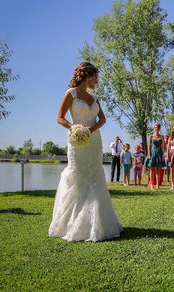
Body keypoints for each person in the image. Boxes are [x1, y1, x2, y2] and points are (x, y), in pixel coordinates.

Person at [49, 62, 122, 241]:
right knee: (78, 176)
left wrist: (90, 130)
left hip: (94, 142)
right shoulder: (71, 94)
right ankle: (71, 224)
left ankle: (99, 225)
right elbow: (59, 117)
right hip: (76, 141)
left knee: (95, 177)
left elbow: (103, 119)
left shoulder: (94, 97)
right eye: (96, 77)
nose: (97, 80)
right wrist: (75, 128)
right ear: (88, 76)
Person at [147, 123, 165, 190]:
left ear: (159, 128)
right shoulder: (151, 136)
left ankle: (157, 184)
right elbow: (149, 146)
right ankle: (151, 184)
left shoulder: (162, 137)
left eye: (157, 127)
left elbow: (162, 146)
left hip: (159, 153)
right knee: (151, 169)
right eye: (155, 127)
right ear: (154, 128)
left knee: (158, 170)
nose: (156, 128)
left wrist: (163, 155)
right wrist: (149, 154)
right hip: (153, 153)